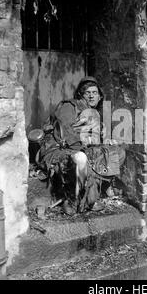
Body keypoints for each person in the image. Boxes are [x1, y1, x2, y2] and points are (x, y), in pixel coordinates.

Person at [36, 76, 125, 215]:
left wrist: (106, 141)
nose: (91, 96)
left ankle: (92, 194)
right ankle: (73, 199)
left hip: (82, 149)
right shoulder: (69, 106)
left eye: (95, 93)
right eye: (87, 92)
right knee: (81, 158)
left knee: (117, 152)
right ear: (80, 94)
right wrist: (90, 143)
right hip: (60, 149)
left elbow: (97, 138)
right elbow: (65, 135)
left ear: (100, 97)